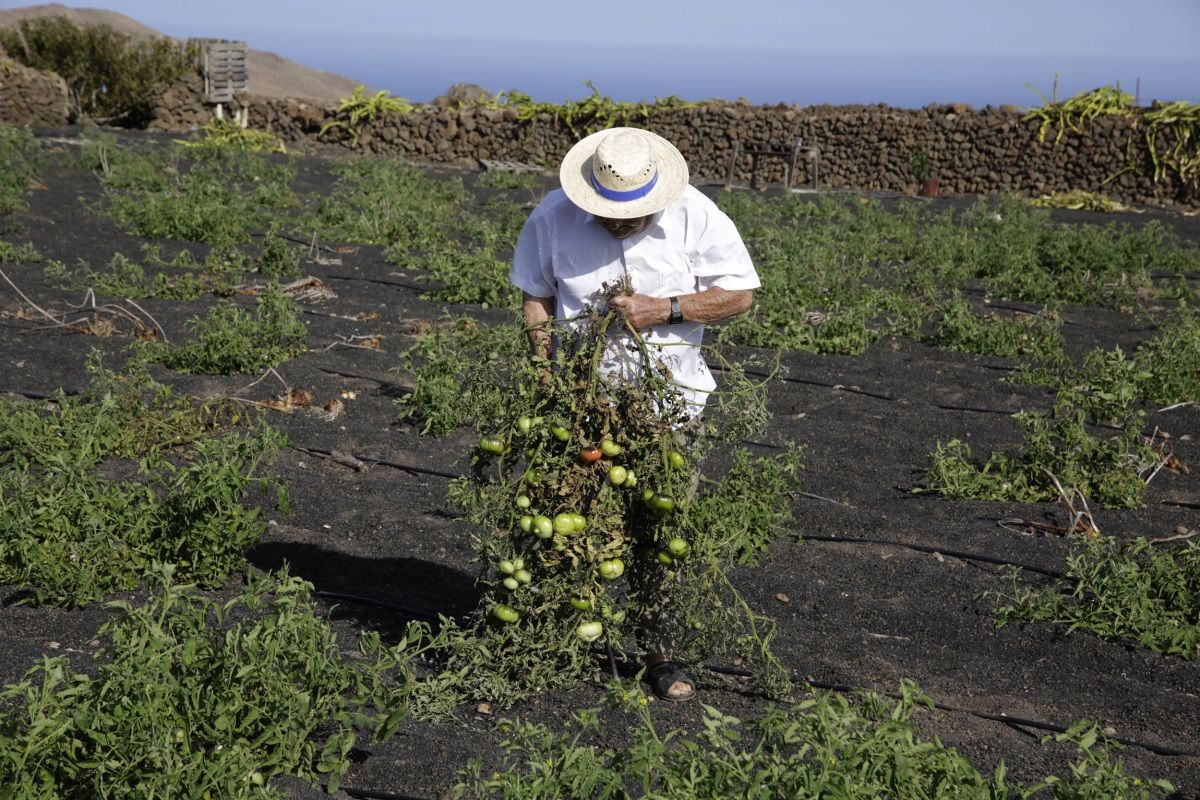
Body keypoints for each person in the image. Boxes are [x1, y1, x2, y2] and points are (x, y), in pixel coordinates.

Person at [509, 127, 760, 701]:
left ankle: (659, 653)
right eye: (608, 216)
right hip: (584, 404)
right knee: (564, 522)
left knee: (660, 532)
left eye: (632, 217)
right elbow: (535, 295)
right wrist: (547, 376)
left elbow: (740, 293)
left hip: (671, 408)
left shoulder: (697, 215)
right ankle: (549, 639)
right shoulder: (552, 217)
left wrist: (666, 308)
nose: (619, 224)